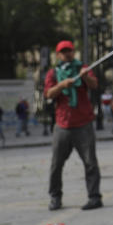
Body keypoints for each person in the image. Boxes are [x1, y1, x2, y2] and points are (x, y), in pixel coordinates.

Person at [44, 40, 101, 211]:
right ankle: (55, 197)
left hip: (83, 123)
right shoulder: (53, 73)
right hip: (62, 125)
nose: (67, 54)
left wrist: (84, 76)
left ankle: (94, 197)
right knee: (56, 164)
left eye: (69, 51)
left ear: (73, 52)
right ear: (58, 55)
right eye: (63, 52)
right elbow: (48, 94)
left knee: (90, 162)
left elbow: (94, 84)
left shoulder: (82, 68)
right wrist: (61, 85)